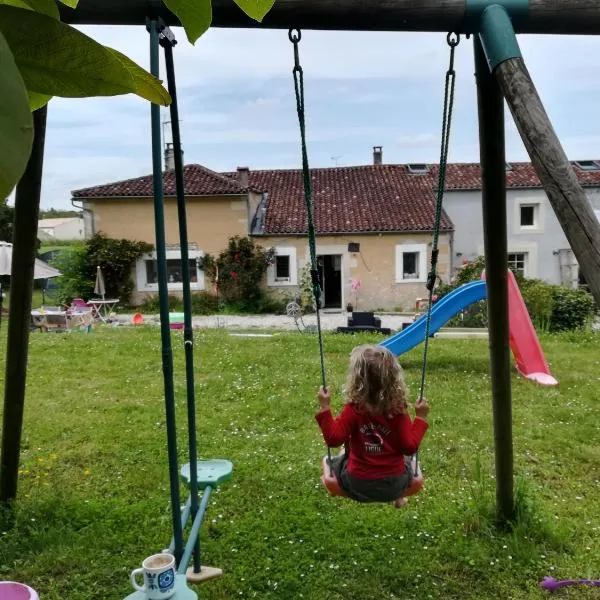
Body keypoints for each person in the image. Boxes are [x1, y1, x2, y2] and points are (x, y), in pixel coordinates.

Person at [315, 344, 430, 507]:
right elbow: (409, 447)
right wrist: (420, 417)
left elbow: (334, 439)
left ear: (356, 379)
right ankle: (398, 497)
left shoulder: (354, 409)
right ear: (393, 379)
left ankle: (338, 489)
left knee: (329, 460)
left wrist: (325, 408)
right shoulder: (397, 411)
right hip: (394, 484)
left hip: (357, 483)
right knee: (409, 459)